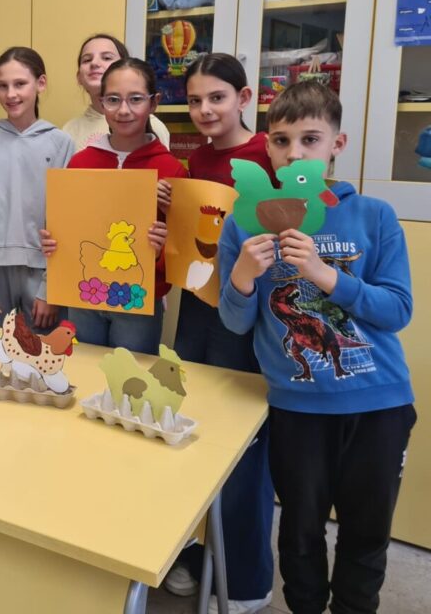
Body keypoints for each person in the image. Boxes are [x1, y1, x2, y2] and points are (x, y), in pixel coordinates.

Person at [220, 81, 416, 614]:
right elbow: (235, 323)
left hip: (379, 404)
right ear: (267, 146)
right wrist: (242, 275)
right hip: (297, 407)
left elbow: (398, 309)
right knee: (300, 534)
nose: (294, 153)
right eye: (282, 141)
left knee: (366, 533)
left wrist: (324, 274)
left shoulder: (373, 215)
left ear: (336, 144)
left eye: (310, 139)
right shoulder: (243, 223)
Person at [157, 54, 276, 612]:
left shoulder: (269, 153)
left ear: (244, 98)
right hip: (198, 307)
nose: (205, 110)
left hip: (245, 312)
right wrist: (171, 210)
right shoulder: (198, 158)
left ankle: (247, 579)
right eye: (195, 100)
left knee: (241, 443)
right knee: (190, 422)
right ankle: (200, 553)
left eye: (217, 98)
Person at [44, 58, 184, 353]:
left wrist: (162, 245)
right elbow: (68, 227)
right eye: (113, 100)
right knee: (83, 370)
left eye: (135, 99)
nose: (123, 110)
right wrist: (54, 241)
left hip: (138, 301)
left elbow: (182, 249)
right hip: (85, 294)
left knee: (130, 376)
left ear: (154, 102)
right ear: (101, 102)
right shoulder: (80, 163)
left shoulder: (171, 170)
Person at [0, 46, 75, 330]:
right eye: (2, 86)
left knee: (44, 352)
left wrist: (51, 287)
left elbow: (66, 222)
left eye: (20, 84)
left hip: (42, 274)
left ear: (41, 83)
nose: (10, 94)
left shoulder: (61, 144)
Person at [62, 33, 170, 151]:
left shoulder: (152, 126)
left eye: (106, 58)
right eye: (87, 60)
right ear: (79, 77)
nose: (94, 63)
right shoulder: (69, 130)